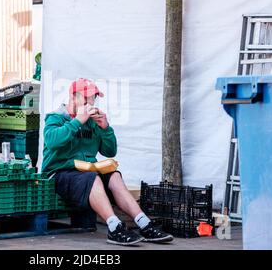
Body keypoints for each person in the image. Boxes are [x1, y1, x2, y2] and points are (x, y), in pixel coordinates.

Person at [42, 78, 174, 246]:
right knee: (93, 178)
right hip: (59, 174)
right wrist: (77, 121)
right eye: (87, 98)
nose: (91, 102)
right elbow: (52, 141)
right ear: (73, 97)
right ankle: (114, 227)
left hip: (86, 172)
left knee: (114, 176)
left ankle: (144, 223)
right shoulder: (56, 117)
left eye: (93, 98)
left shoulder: (92, 122)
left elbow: (109, 151)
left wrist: (106, 128)